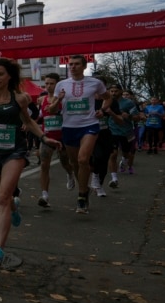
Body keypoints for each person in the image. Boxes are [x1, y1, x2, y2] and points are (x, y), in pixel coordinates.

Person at [0, 57, 60, 267]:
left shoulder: (20, 98)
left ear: (9, 76)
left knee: (3, 197)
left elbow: (29, 121)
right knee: (2, 197)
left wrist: (43, 138)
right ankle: (14, 209)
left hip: (15, 151)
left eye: (0, 74)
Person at [48, 55, 111, 214]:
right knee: (75, 163)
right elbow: (52, 110)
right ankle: (85, 188)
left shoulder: (95, 83)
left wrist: (102, 110)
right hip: (69, 127)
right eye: (71, 64)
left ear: (84, 66)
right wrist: (58, 100)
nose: (73, 67)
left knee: (83, 159)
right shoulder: (62, 85)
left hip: (89, 125)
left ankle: (82, 196)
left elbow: (108, 98)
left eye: (76, 64)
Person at [36, 73, 74, 207]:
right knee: (44, 164)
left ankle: (70, 173)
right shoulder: (42, 99)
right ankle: (45, 195)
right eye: (46, 83)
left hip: (62, 137)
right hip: (47, 136)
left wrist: (58, 100)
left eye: (51, 83)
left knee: (65, 162)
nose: (48, 86)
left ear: (58, 84)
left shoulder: (64, 99)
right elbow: (41, 115)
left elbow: (53, 110)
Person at [107, 84, 140, 184]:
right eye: (111, 91)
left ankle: (124, 161)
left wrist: (129, 116)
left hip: (126, 131)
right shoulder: (107, 102)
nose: (113, 93)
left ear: (121, 91)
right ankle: (114, 178)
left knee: (126, 153)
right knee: (113, 154)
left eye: (115, 91)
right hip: (112, 131)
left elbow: (137, 117)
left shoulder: (128, 103)